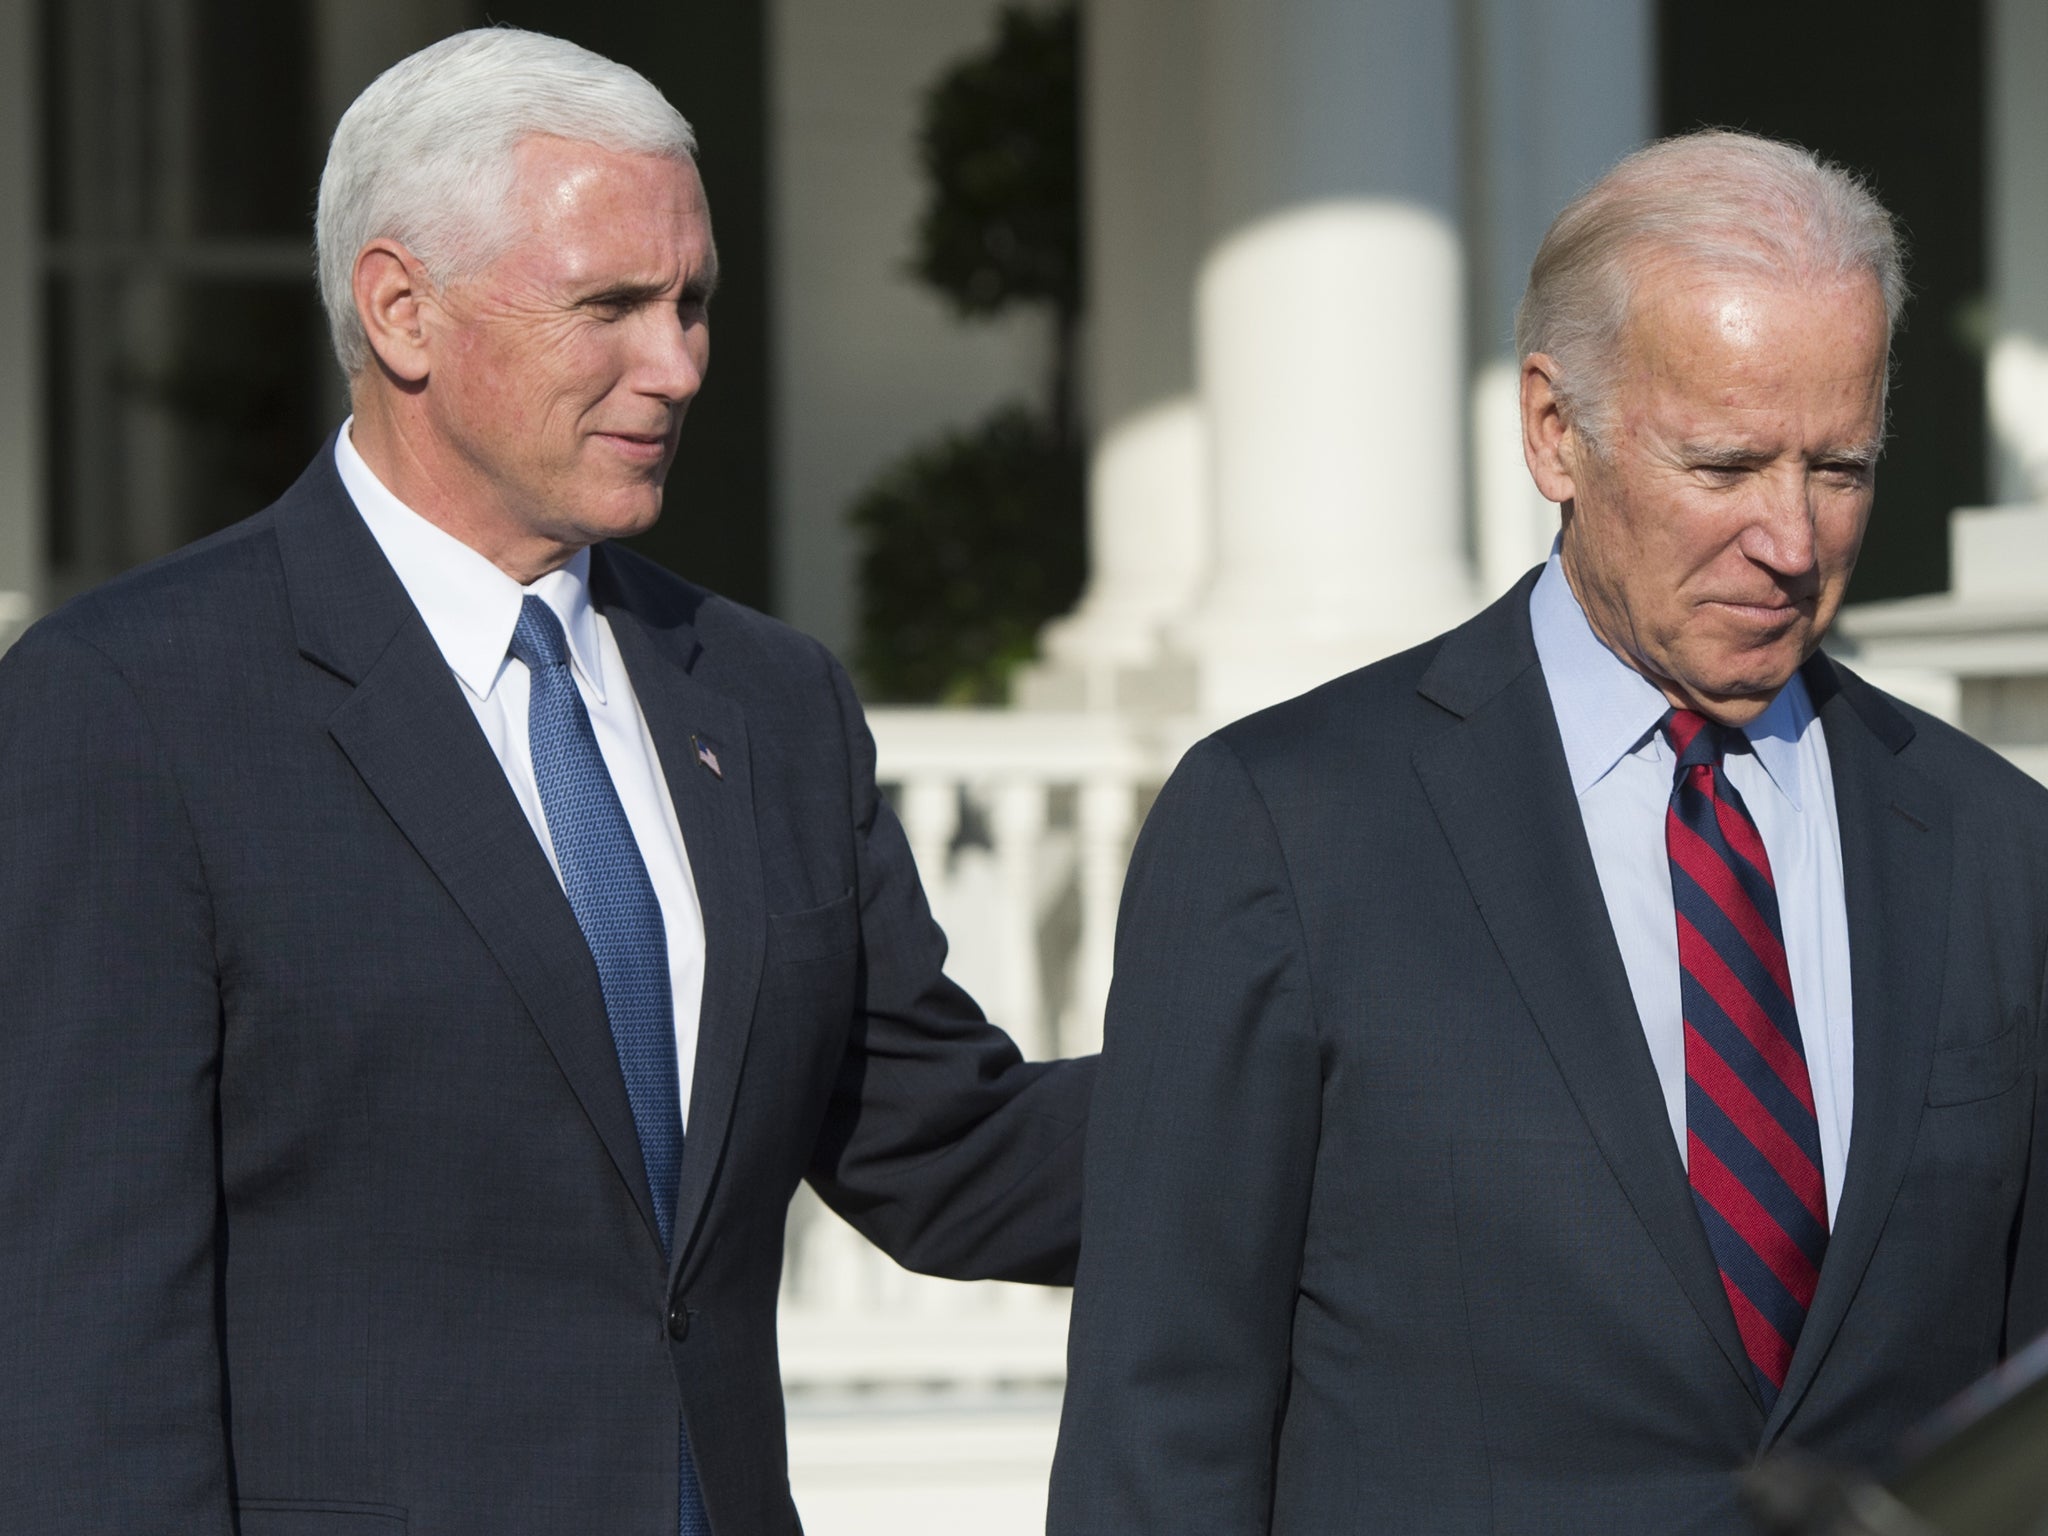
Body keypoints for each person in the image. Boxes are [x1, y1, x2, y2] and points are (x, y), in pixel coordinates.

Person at [0, 28, 1092, 1536]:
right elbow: (80, 1336)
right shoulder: (131, 706)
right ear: (402, 311)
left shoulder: (768, 701)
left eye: (694, 300)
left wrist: (1360, 1077)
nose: (682, 362)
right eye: (613, 306)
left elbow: (949, 1150)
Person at [1048, 130, 2048, 1534]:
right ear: (1552, 432)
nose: (1792, 537)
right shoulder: (1284, 826)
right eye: (1725, 461)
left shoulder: (1996, 848)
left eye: (1839, 468)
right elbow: (1163, 1428)